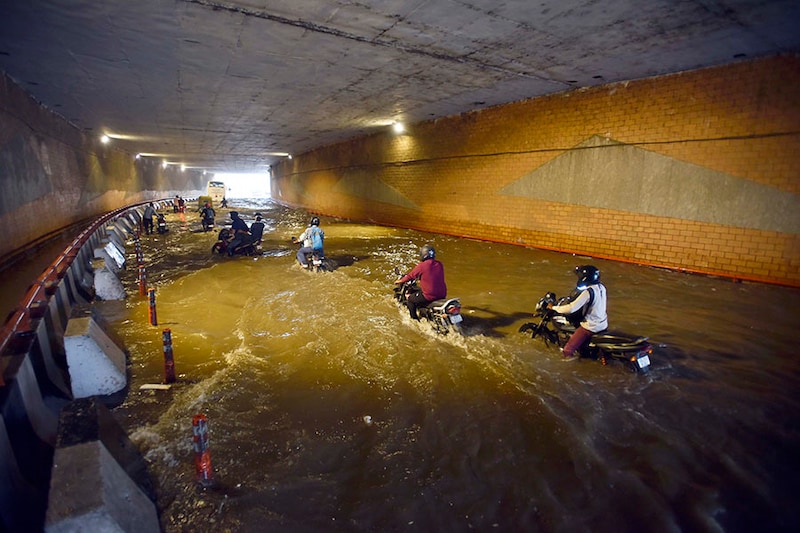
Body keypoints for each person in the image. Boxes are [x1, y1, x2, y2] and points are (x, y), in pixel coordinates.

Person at [548, 265, 608, 359]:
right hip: (603, 324)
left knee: (567, 350)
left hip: (591, 327)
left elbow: (571, 308)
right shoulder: (602, 287)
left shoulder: (588, 292)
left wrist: (554, 308)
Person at [394, 244, 447, 320]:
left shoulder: (422, 266)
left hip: (430, 295)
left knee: (411, 300)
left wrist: (400, 281)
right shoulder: (439, 264)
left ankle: (414, 320)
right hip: (442, 294)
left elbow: (411, 276)